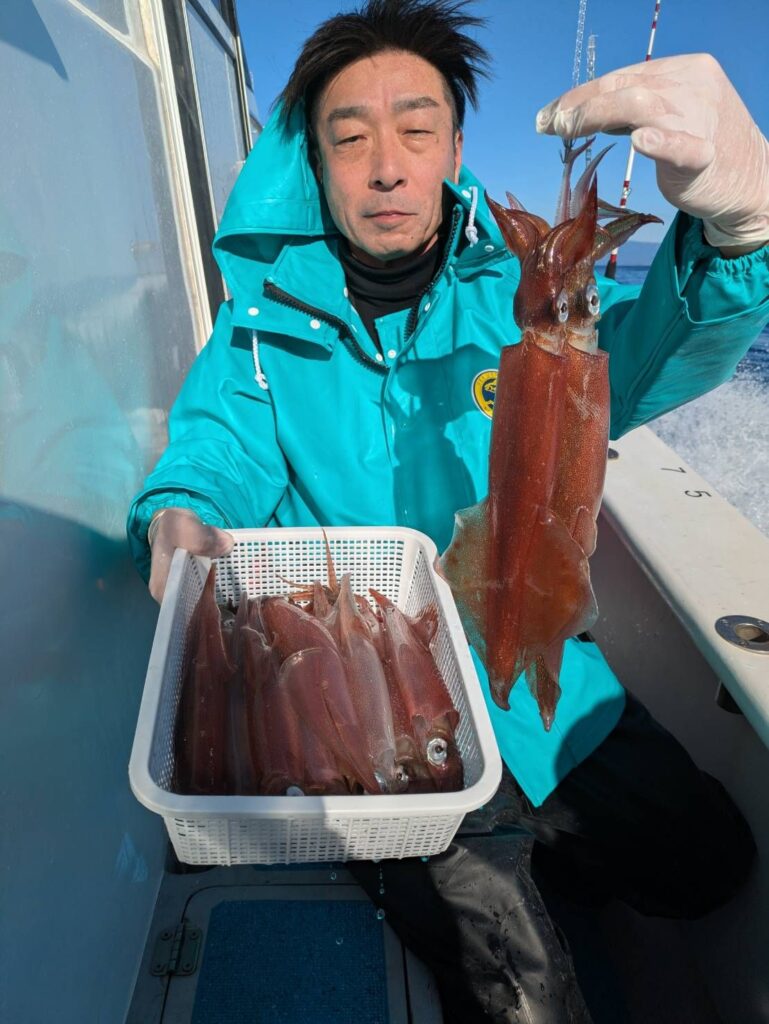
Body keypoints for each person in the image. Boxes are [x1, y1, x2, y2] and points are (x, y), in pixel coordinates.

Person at [127, 1, 769, 1019]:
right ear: (314, 162)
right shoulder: (255, 333)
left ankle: (540, 844)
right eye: (350, 138)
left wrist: (738, 239)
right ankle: (432, 857)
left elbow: (648, 359)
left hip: (531, 668)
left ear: (455, 150)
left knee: (710, 864)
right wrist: (178, 509)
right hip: (388, 701)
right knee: (524, 1001)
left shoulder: (521, 297)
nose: (386, 167)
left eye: (416, 130)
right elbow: (216, 450)